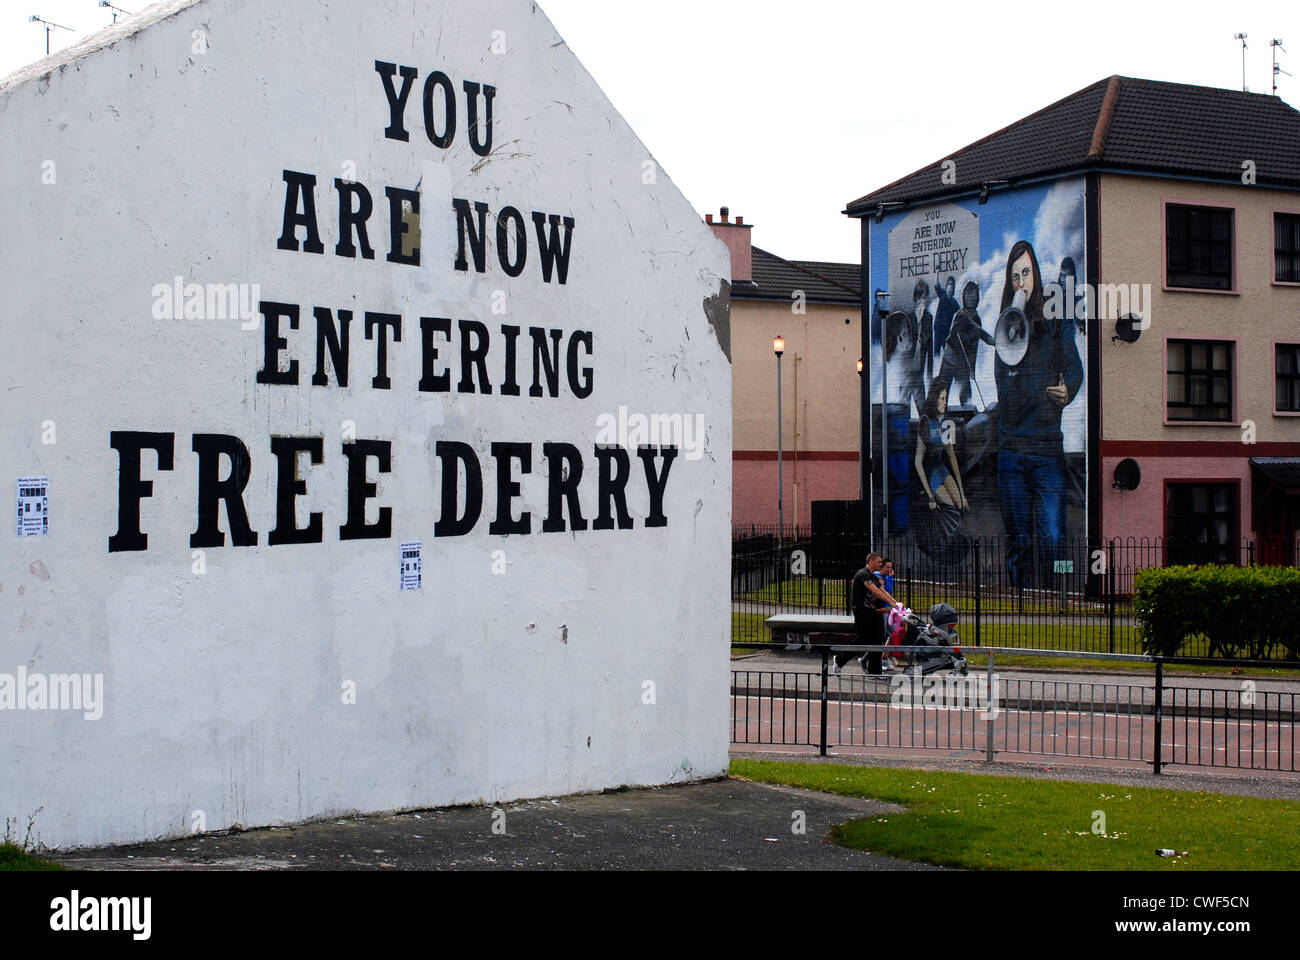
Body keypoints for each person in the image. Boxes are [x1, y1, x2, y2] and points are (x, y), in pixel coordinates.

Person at [993, 240, 1083, 588]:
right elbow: (1008, 402)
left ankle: (1057, 595)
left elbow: (1074, 367)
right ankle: (1019, 600)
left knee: (1055, 537)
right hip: (1012, 452)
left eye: (1026, 273)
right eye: (1015, 276)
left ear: (1037, 275)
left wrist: (1068, 390)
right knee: (1019, 540)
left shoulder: (1055, 320)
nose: (1021, 283)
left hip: (1047, 451)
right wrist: (1014, 343)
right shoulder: (1007, 327)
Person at [835, 552, 898, 677]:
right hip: (863, 613)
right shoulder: (863, 574)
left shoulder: (874, 577)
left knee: (878, 640)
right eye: (879, 562)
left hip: (875, 612)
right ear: (871, 561)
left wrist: (896, 603)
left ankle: (875, 672)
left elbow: (883, 591)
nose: (881, 564)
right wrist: (891, 604)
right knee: (862, 639)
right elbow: (875, 591)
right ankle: (839, 660)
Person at [914, 380, 970, 515]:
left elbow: (951, 455)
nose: (945, 402)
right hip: (928, 472)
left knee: (961, 504)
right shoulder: (925, 421)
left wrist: (962, 493)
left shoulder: (947, 422)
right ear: (934, 399)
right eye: (942, 398)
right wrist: (930, 496)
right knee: (950, 509)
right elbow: (918, 462)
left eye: (946, 398)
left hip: (940, 468)